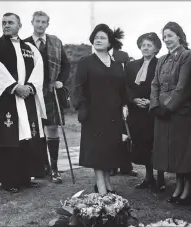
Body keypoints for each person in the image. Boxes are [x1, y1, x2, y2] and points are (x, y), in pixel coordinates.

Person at [0, 13, 46, 193]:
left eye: (10, 22)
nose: (6, 25)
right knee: (8, 140)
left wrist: (30, 87)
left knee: (27, 138)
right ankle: (8, 180)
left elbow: (38, 69)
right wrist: (14, 86)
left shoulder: (30, 48)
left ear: (19, 25)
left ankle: (25, 177)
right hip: (6, 98)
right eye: (3, 22)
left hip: (26, 100)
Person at [73, 24, 127, 195]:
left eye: (102, 37)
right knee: (97, 150)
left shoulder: (118, 65)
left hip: (113, 114)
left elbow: (123, 89)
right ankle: (100, 185)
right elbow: (78, 87)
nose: (98, 40)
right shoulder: (85, 62)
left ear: (110, 42)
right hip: (94, 114)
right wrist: (82, 107)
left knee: (109, 149)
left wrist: (127, 103)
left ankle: (107, 180)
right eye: (96, 37)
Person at [149, 21, 191, 205]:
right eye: (164, 36)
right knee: (171, 152)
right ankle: (178, 185)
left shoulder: (188, 55)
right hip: (162, 111)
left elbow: (183, 86)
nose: (166, 39)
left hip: (179, 111)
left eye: (170, 35)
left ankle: (189, 188)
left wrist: (168, 107)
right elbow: (154, 84)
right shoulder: (162, 59)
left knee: (183, 150)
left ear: (179, 35)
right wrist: (155, 106)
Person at [24, 11, 71, 184]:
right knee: (34, 130)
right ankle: (40, 167)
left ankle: (55, 169)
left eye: (43, 22)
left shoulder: (55, 42)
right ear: (32, 22)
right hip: (32, 93)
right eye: (37, 21)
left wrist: (60, 80)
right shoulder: (24, 44)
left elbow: (66, 65)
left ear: (47, 24)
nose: (40, 25)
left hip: (52, 92)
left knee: (52, 128)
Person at [125, 32, 165, 191]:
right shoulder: (132, 65)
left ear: (156, 48)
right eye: (143, 45)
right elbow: (125, 86)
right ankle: (148, 177)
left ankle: (161, 178)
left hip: (153, 110)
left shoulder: (161, 64)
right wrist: (133, 100)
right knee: (142, 144)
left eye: (149, 45)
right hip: (137, 111)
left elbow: (164, 86)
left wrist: (151, 102)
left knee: (156, 143)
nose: (145, 48)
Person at [108, 34, 138, 177]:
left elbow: (127, 78)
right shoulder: (97, 55)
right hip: (105, 100)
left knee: (125, 132)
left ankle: (126, 166)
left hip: (121, 98)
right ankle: (112, 165)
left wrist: (126, 101)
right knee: (109, 132)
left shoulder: (122, 55)